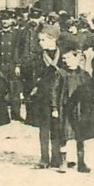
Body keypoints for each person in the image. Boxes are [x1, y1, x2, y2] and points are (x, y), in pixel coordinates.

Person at [55, 35, 94, 174]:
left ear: (77, 58)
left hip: (80, 110)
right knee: (64, 136)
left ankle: (81, 163)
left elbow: (91, 92)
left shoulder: (84, 75)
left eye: (68, 58)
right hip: (64, 108)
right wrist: (55, 108)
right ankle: (63, 162)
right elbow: (54, 92)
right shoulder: (60, 74)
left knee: (81, 136)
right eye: (63, 59)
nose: (66, 61)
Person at [25, 23, 63, 169]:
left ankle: (56, 157)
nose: (40, 43)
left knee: (57, 128)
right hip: (42, 97)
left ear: (53, 39)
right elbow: (30, 77)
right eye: (39, 40)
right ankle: (44, 158)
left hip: (58, 96)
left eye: (43, 40)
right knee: (44, 128)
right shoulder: (37, 58)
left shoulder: (63, 56)